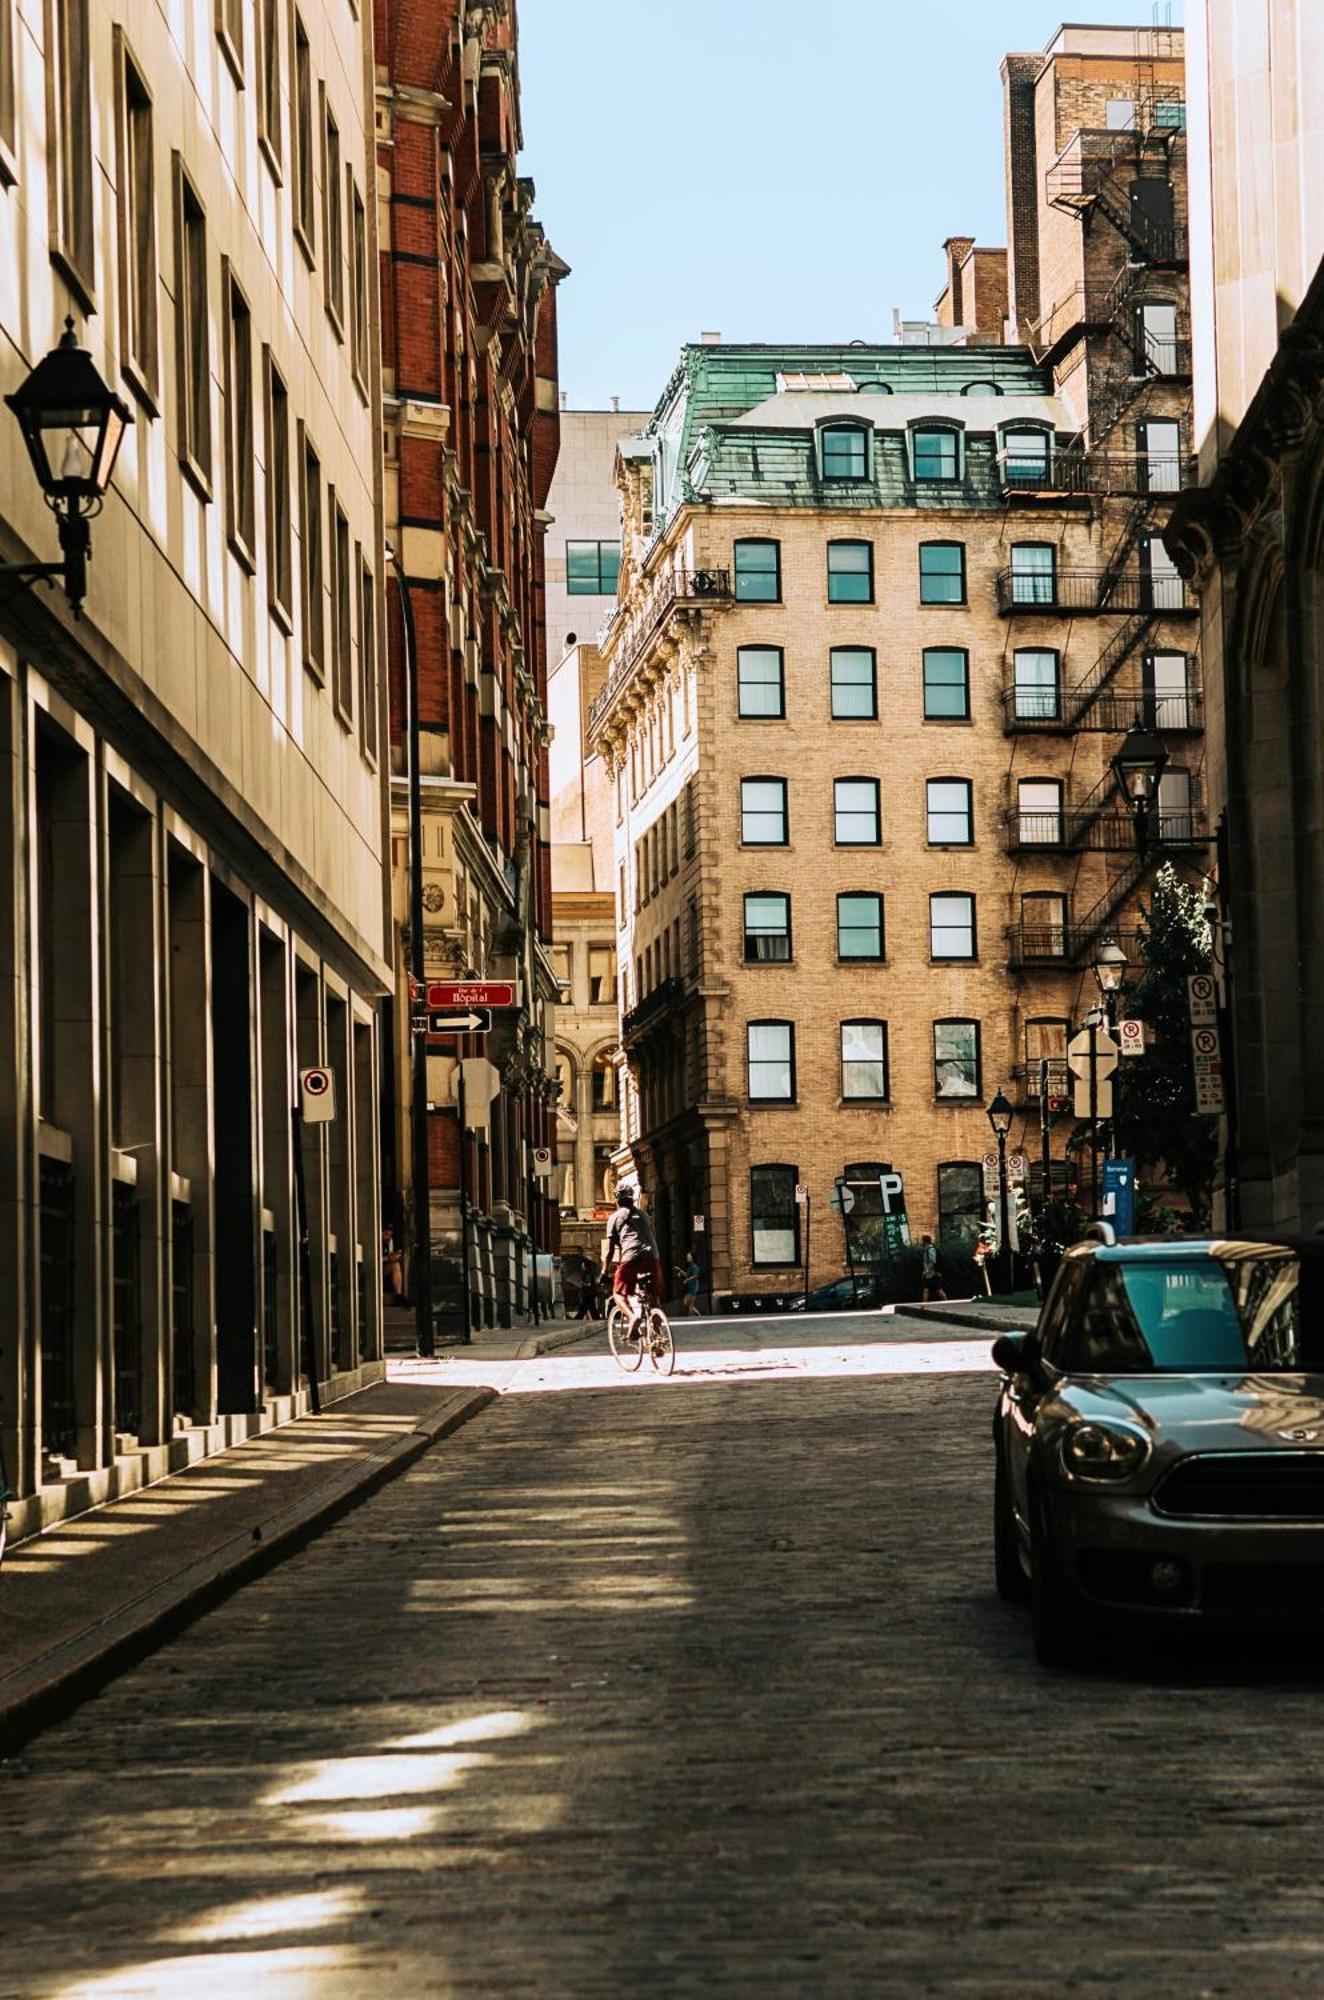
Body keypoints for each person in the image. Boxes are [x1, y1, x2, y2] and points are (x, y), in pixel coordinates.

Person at [601, 1183, 665, 1329]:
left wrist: (604, 1271)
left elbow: (610, 1250)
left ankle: (632, 1318)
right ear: (632, 1199)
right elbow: (653, 1238)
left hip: (631, 1257)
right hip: (652, 1257)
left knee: (618, 1294)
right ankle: (658, 1340)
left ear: (617, 1200)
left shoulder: (615, 1217)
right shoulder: (645, 1215)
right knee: (654, 1297)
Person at [920, 1233, 946, 1302]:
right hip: (929, 1274)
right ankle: (924, 1305)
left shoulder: (931, 1249)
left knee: (938, 1290)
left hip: (932, 1273)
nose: (921, 1242)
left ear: (925, 1241)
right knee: (927, 1289)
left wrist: (926, 1270)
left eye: (922, 1241)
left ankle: (946, 1302)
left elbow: (933, 1261)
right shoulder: (927, 1250)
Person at [573, 1255, 600, 1322]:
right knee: (590, 1307)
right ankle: (596, 1318)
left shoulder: (587, 1274)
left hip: (588, 1294)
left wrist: (581, 1282)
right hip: (590, 1294)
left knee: (586, 1307)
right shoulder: (588, 1273)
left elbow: (588, 1284)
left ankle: (578, 1318)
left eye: (582, 1265)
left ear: (585, 1266)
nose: (582, 1266)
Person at [676, 1252, 702, 1317]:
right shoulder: (690, 1266)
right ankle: (698, 1314)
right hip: (690, 1287)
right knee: (687, 1302)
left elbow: (695, 1276)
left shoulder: (694, 1266)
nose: (687, 1258)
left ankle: (692, 1316)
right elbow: (687, 1275)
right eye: (687, 1256)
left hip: (694, 1287)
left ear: (692, 1258)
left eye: (689, 1256)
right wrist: (680, 1270)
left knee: (690, 1303)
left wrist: (687, 1280)